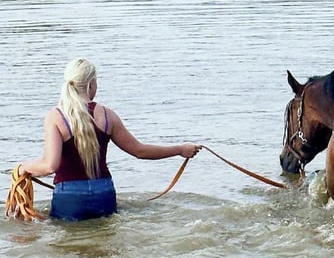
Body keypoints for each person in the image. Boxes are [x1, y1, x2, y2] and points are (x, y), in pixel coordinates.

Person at [18, 58, 201, 221]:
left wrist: (23, 167)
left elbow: (49, 166)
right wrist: (180, 149)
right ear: (91, 85)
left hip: (70, 198)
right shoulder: (107, 115)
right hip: (104, 194)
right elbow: (139, 151)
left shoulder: (56, 116)